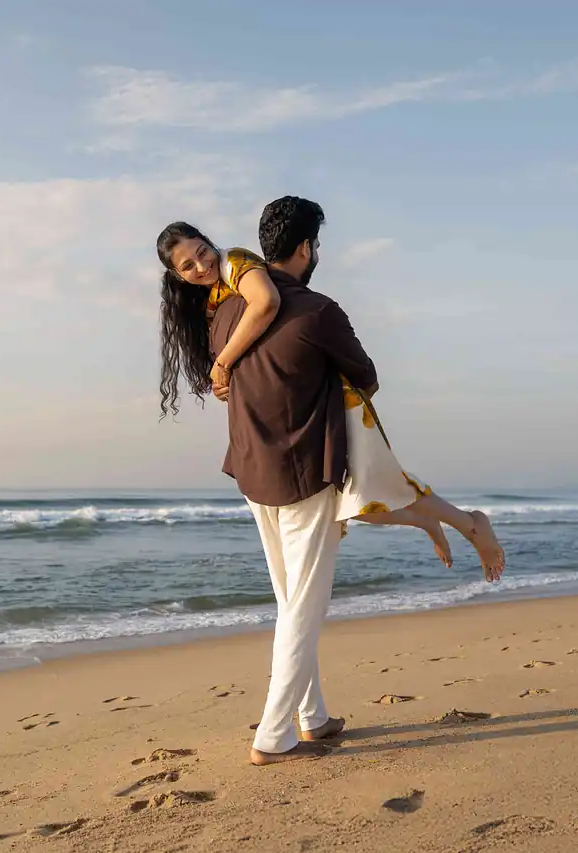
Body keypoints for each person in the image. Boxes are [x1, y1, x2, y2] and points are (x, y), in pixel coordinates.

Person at [154, 196, 502, 767]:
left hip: (251, 471)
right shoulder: (315, 310)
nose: (199, 267)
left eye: (200, 255)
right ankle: (273, 736)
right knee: (303, 609)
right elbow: (366, 379)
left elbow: (236, 385)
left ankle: (312, 718)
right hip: (302, 473)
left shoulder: (223, 312)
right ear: (307, 247)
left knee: (290, 601)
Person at [155, 218, 505, 575]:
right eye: (188, 266)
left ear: (209, 242)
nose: (202, 265)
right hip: (300, 414)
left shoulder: (236, 262)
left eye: (202, 252)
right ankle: (436, 521)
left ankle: (469, 523)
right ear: (177, 276)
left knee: (379, 485)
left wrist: (224, 363)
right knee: (360, 500)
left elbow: (266, 302)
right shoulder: (214, 299)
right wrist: (226, 382)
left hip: (331, 403)